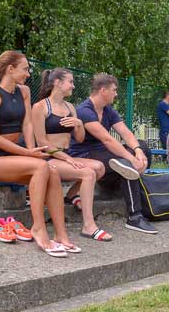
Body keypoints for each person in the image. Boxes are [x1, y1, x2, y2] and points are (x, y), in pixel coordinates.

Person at [0, 51, 78, 257]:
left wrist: (33, 151)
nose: (28, 74)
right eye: (25, 69)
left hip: (18, 156)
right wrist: (28, 154)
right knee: (41, 167)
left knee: (53, 171)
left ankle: (61, 235)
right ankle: (39, 228)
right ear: (10, 69)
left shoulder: (23, 91)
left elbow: (28, 123)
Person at [67, 73, 157, 234]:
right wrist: (131, 158)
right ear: (103, 90)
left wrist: (137, 152)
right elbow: (107, 139)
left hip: (105, 156)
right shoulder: (84, 110)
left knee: (143, 147)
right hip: (84, 155)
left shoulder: (108, 110)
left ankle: (122, 183)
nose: (116, 94)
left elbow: (125, 133)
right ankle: (135, 217)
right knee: (125, 163)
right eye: (114, 90)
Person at [32, 68, 111, 241]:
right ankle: (89, 226)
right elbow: (41, 143)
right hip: (49, 158)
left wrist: (79, 124)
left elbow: (80, 139)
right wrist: (67, 159)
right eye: (70, 82)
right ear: (58, 83)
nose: (73, 86)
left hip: (66, 155)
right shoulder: (40, 107)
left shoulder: (70, 107)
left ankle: (71, 195)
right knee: (88, 173)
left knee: (99, 168)